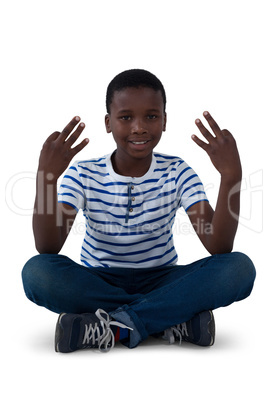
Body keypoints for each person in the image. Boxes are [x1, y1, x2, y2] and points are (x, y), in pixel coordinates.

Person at [22, 69, 256, 353]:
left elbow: (218, 246)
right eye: (125, 117)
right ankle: (166, 319)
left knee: (239, 268)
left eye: (151, 116)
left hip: (163, 280)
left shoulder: (177, 171)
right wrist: (46, 177)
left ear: (165, 121)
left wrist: (231, 177)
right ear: (108, 123)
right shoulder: (84, 173)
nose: (139, 127)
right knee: (37, 272)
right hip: (97, 280)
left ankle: (114, 326)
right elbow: (48, 245)